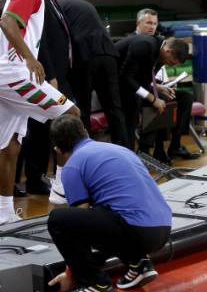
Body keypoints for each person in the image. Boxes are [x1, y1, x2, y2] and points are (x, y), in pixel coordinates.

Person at [47, 116, 171, 292]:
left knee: (58, 219)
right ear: (86, 132)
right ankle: (139, 265)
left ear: (58, 150)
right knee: (108, 211)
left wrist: (71, 273)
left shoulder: (72, 166)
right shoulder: (119, 149)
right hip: (163, 229)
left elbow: (80, 228)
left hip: (136, 231)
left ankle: (95, 283)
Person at [0, 0, 79, 224]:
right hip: (14, 75)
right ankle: (60, 191)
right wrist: (31, 59)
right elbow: (7, 21)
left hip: (6, 76)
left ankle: (4, 214)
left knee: (10, 147)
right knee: (71, 116)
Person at [53, 0, 128, 147]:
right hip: (108, 54)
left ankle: (85, 149)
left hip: (85, 56)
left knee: (83, 108)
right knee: (114, 107)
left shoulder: (57, 6)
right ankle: (124, 149)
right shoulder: (84, 3)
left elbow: (59, 38)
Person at [133, 8, 200, 160]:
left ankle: (175, 145)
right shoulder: (136, 43)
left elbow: (155, 73)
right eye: (148, 23)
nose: (152, 27)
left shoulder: (158, 44)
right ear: (138, 23)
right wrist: (156, 89)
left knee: (186, 97)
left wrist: (164, 85)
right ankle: (154, 148)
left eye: (155, 24)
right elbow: (135, 79)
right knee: (163, 99)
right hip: (135, 90)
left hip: (153, 86)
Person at [115, 35, 189, 154]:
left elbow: (142, 81)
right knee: (136, 102)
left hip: (126, 83)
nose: (170, 65)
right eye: (170, 62)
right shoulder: (144, 45)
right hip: (110, 82)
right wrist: (152, 99)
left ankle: (150, 149)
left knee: (163, 99)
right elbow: (125, 78)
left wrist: (158, 88)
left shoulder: (159, 53)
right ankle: (127, 153)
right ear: (168, 51)